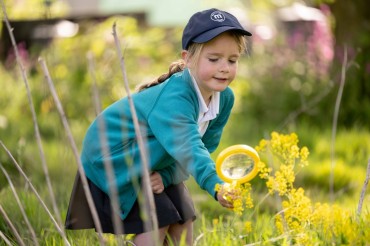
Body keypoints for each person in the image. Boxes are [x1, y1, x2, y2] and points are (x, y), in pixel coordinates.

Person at [65, 8, 252, 246]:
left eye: (232, 60)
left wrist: (166, 174)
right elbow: (189, 147)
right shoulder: (176, 98)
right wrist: (216, 185)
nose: (224, 67)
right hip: (115, 155)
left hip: (151, 159)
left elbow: (206, 145)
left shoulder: (224, 98)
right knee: (157, 218)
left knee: (184, 216)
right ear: (188, 58)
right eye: (214, 59)